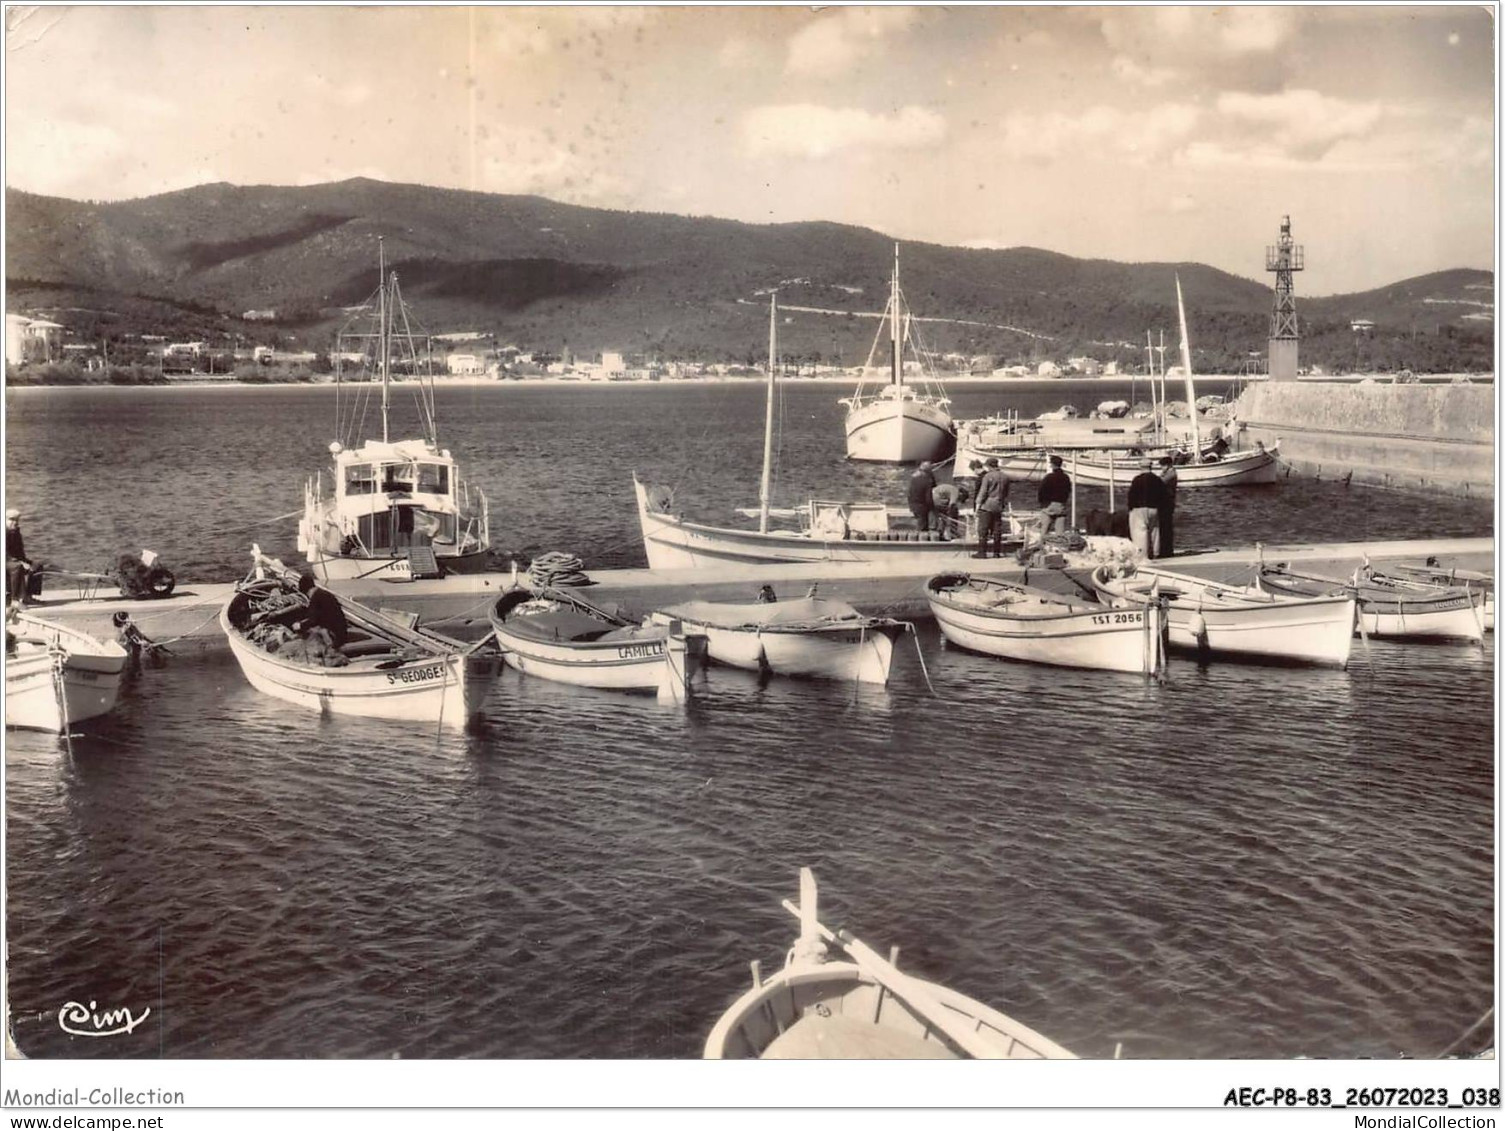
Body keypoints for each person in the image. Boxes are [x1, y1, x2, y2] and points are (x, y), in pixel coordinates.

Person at [294, 572, 351, 649]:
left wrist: (300, 625)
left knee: (308, 634)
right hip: (340, 631)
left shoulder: (316, 598)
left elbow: (313, 620)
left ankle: (329, 647)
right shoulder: (324, 594)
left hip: (334, 635)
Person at [1127, 460, 1167, 559]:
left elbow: (1131, 495)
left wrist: (1130, 507)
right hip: (1154, 508)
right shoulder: (1157, 479)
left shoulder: (1137, 480)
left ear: (1140, 467)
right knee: (1154, 532)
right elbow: (1163, 495)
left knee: (1140, 532)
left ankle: (1143, 555)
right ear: (1151, 467)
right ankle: (1155, 553)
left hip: (1139, 509)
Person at [972, 457, 1009, 559]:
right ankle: (996, 553)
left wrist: (977, 507)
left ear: (989, 466)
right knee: (997, 530)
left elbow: (982, 493)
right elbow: (1006, 493)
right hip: (999, 505)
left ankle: (982, 553)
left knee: (983, 530)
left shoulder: (987, 476)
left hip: (987, 505)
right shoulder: (1005, 477)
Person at [1037, 455, 1072, 534]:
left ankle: (1042, 544)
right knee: (1060, 532)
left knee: (1044, 529)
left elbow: (1041, 491)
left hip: (1049, 505)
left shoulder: (1049, 477)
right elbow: (1068, 490)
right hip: (1061, 505)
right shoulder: (1066, 477)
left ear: (1052, 465)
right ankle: (1060, 545)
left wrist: (1042, 503)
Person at [5, 509, 33, 605]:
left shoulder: (16, 532)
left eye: (17, 519)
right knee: (17, 567)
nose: (15, 522)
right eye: (11, 519)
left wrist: (26, 561)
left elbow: (20, 551)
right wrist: (20, 562)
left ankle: (27, 596)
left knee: (37, 565)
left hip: (12, 560)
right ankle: (14, 600)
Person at [1157, 455, 1179, 558]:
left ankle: (1167, 550)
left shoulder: (1171, 474)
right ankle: (1165, 549)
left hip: (1167, 503)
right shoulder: (1167, 473)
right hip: (1165, 503)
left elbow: (1160, 482)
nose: (1162, 468)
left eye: (1163, 466)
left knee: (1166, 527)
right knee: (1164, 527)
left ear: (1169, 465)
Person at [908, 461, 937, 534]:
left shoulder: (914, 479)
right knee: (922, 527)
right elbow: (928, 498)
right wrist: (932, 507)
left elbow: (909, 493)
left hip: (912, 504)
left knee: (919, 523)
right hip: (922, 506)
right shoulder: (927, 481)